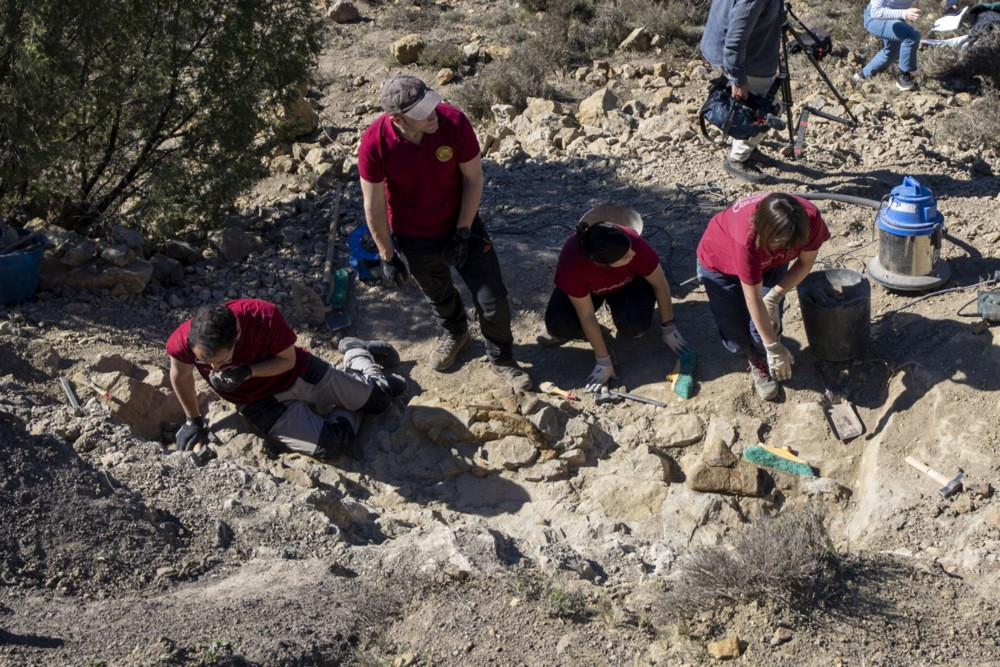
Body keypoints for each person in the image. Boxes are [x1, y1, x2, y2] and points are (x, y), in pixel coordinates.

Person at [358, 73, 531, 392]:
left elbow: (473, 180)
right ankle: (455, 332)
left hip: (461, 223)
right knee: (437, 291)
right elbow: (374, 204)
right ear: (397, 119)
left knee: (492, 299)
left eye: (431, 102)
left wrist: (463, 232)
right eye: (422, 111)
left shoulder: (453, 123)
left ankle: (502, 357)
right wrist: (387, 254)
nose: (433, 112)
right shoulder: (375, 143)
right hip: (413, 234)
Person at [167, 299, 402, 462]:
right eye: (205, 363)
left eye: (220, 360)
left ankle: (355, 353)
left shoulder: (262, 316)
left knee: (381, 400)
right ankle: (352, 392)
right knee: (333, 444)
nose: (213, 369)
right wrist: (193, 420)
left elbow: (287, 361)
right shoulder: (184, 341)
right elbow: (181, 375)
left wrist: (247, 372)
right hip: (259, 403)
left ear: (237, 336)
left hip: (297, 372)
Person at [696, 193, 830, 400]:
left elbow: (804, 263)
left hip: (770, 265)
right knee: (737, 343)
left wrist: (775, 296)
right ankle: (756, 351)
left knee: (765, 328)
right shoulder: (747, 237)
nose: (787, 250)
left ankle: (760, 358)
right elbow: (754, 298)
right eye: (781, 245)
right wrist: (774, 347)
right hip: (721, 264)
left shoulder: (809, 218)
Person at [538, 219, 689, 392]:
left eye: (630, 249)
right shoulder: (572, 265)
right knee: (558, 325)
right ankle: (600, 335)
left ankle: (619, 310)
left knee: (635, 328)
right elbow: (586, 314)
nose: (633, 253)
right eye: (625, 256)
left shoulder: (631, 243)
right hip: (590, 291)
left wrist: (668, 326)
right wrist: (603, 360)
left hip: (627, 283)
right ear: (602, 264)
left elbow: (660, 284)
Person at [700, 0, 785, 184]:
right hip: (745, 58)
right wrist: (738, 78)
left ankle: (748, 143)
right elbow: (736, 41)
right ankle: (737, 158)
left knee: (753, 106)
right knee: (770, 109)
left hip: (719, 47)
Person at [856, 0, 923, 91]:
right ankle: (903, 76)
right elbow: (875, 11)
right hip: (875, 18)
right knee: (911, 35)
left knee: (892, 53)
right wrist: (904, 13)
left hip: (895, 18)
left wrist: (949, 6)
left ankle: (862, 75)